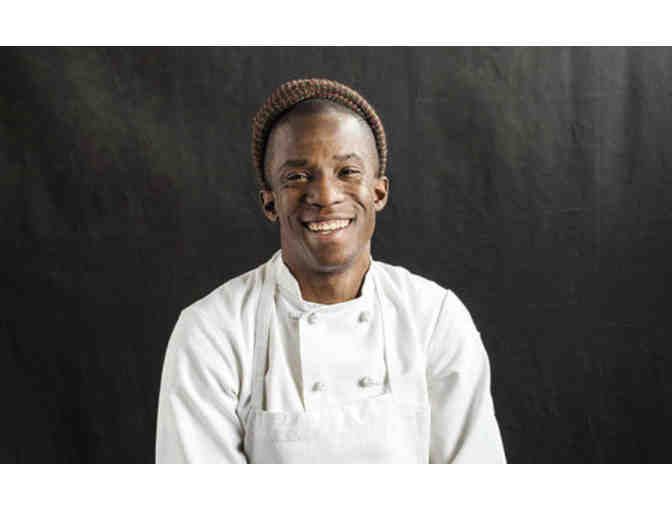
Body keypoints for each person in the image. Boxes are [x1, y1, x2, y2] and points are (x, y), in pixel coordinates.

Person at [155, 78, 506, 463]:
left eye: (347, 172)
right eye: (297, 176)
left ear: (378, 192)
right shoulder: (212, 332)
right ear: (270, 202)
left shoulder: (434, 318)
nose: (324, 196)